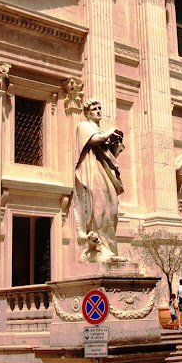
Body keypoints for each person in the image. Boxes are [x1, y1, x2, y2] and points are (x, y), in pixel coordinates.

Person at [74, 98, 126, 263]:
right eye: (94, 109)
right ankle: (98, 247)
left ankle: (110, 248)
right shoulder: (83, 126)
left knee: (112, 207)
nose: (98, 111)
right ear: (87, 113)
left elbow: (111, 155)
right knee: (99, 206)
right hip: (92, 171)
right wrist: (110, 132)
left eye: (99, 108)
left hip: (105, 171)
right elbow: (95, 140)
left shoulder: (101, 131)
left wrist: (116, 143)